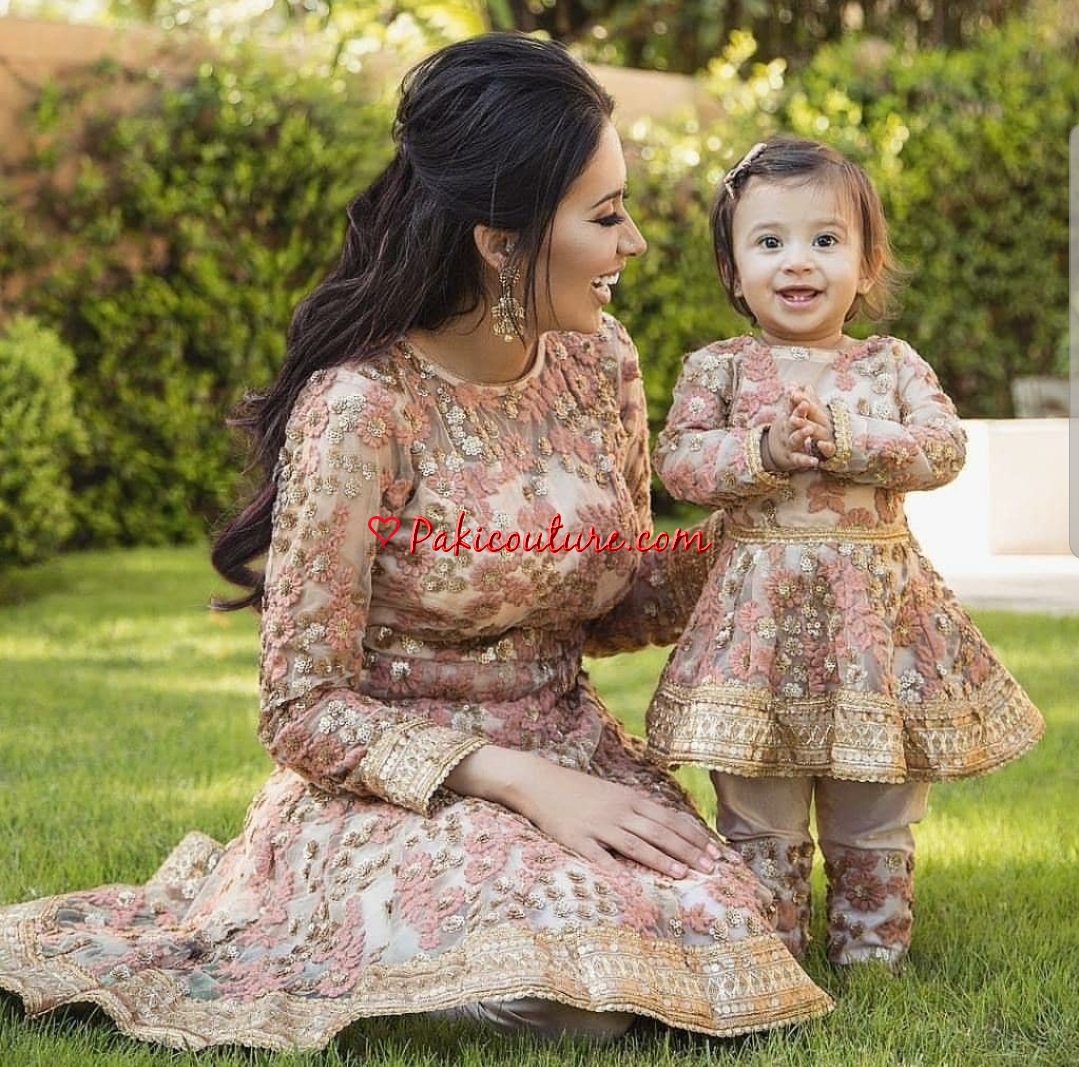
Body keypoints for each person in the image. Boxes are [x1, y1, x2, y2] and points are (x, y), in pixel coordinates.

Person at [0, 39, 833, 1051]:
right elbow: (300, 706)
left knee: (711, 930)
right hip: (400, 785)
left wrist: (757, 533)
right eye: (606, 217)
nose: (636, 245)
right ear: (500, 240)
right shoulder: (361, 408)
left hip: (570, 745)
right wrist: (516, 779)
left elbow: (608, 599)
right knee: (557, 990)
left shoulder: (597, 362)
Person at [645, 135, 1045, 971]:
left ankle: (871, 945)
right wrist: (763, 449)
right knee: (760, 786)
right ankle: (769, 948)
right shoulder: (717, 369)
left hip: (873, 625)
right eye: (769, 242)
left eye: (825, 240)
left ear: (864, 265)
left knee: (875, 788)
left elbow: (942, 449)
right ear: (732, 270)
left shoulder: (888, 366)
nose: (799, 261)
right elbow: (679, 460)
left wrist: (849, 438)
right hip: (758, 624)